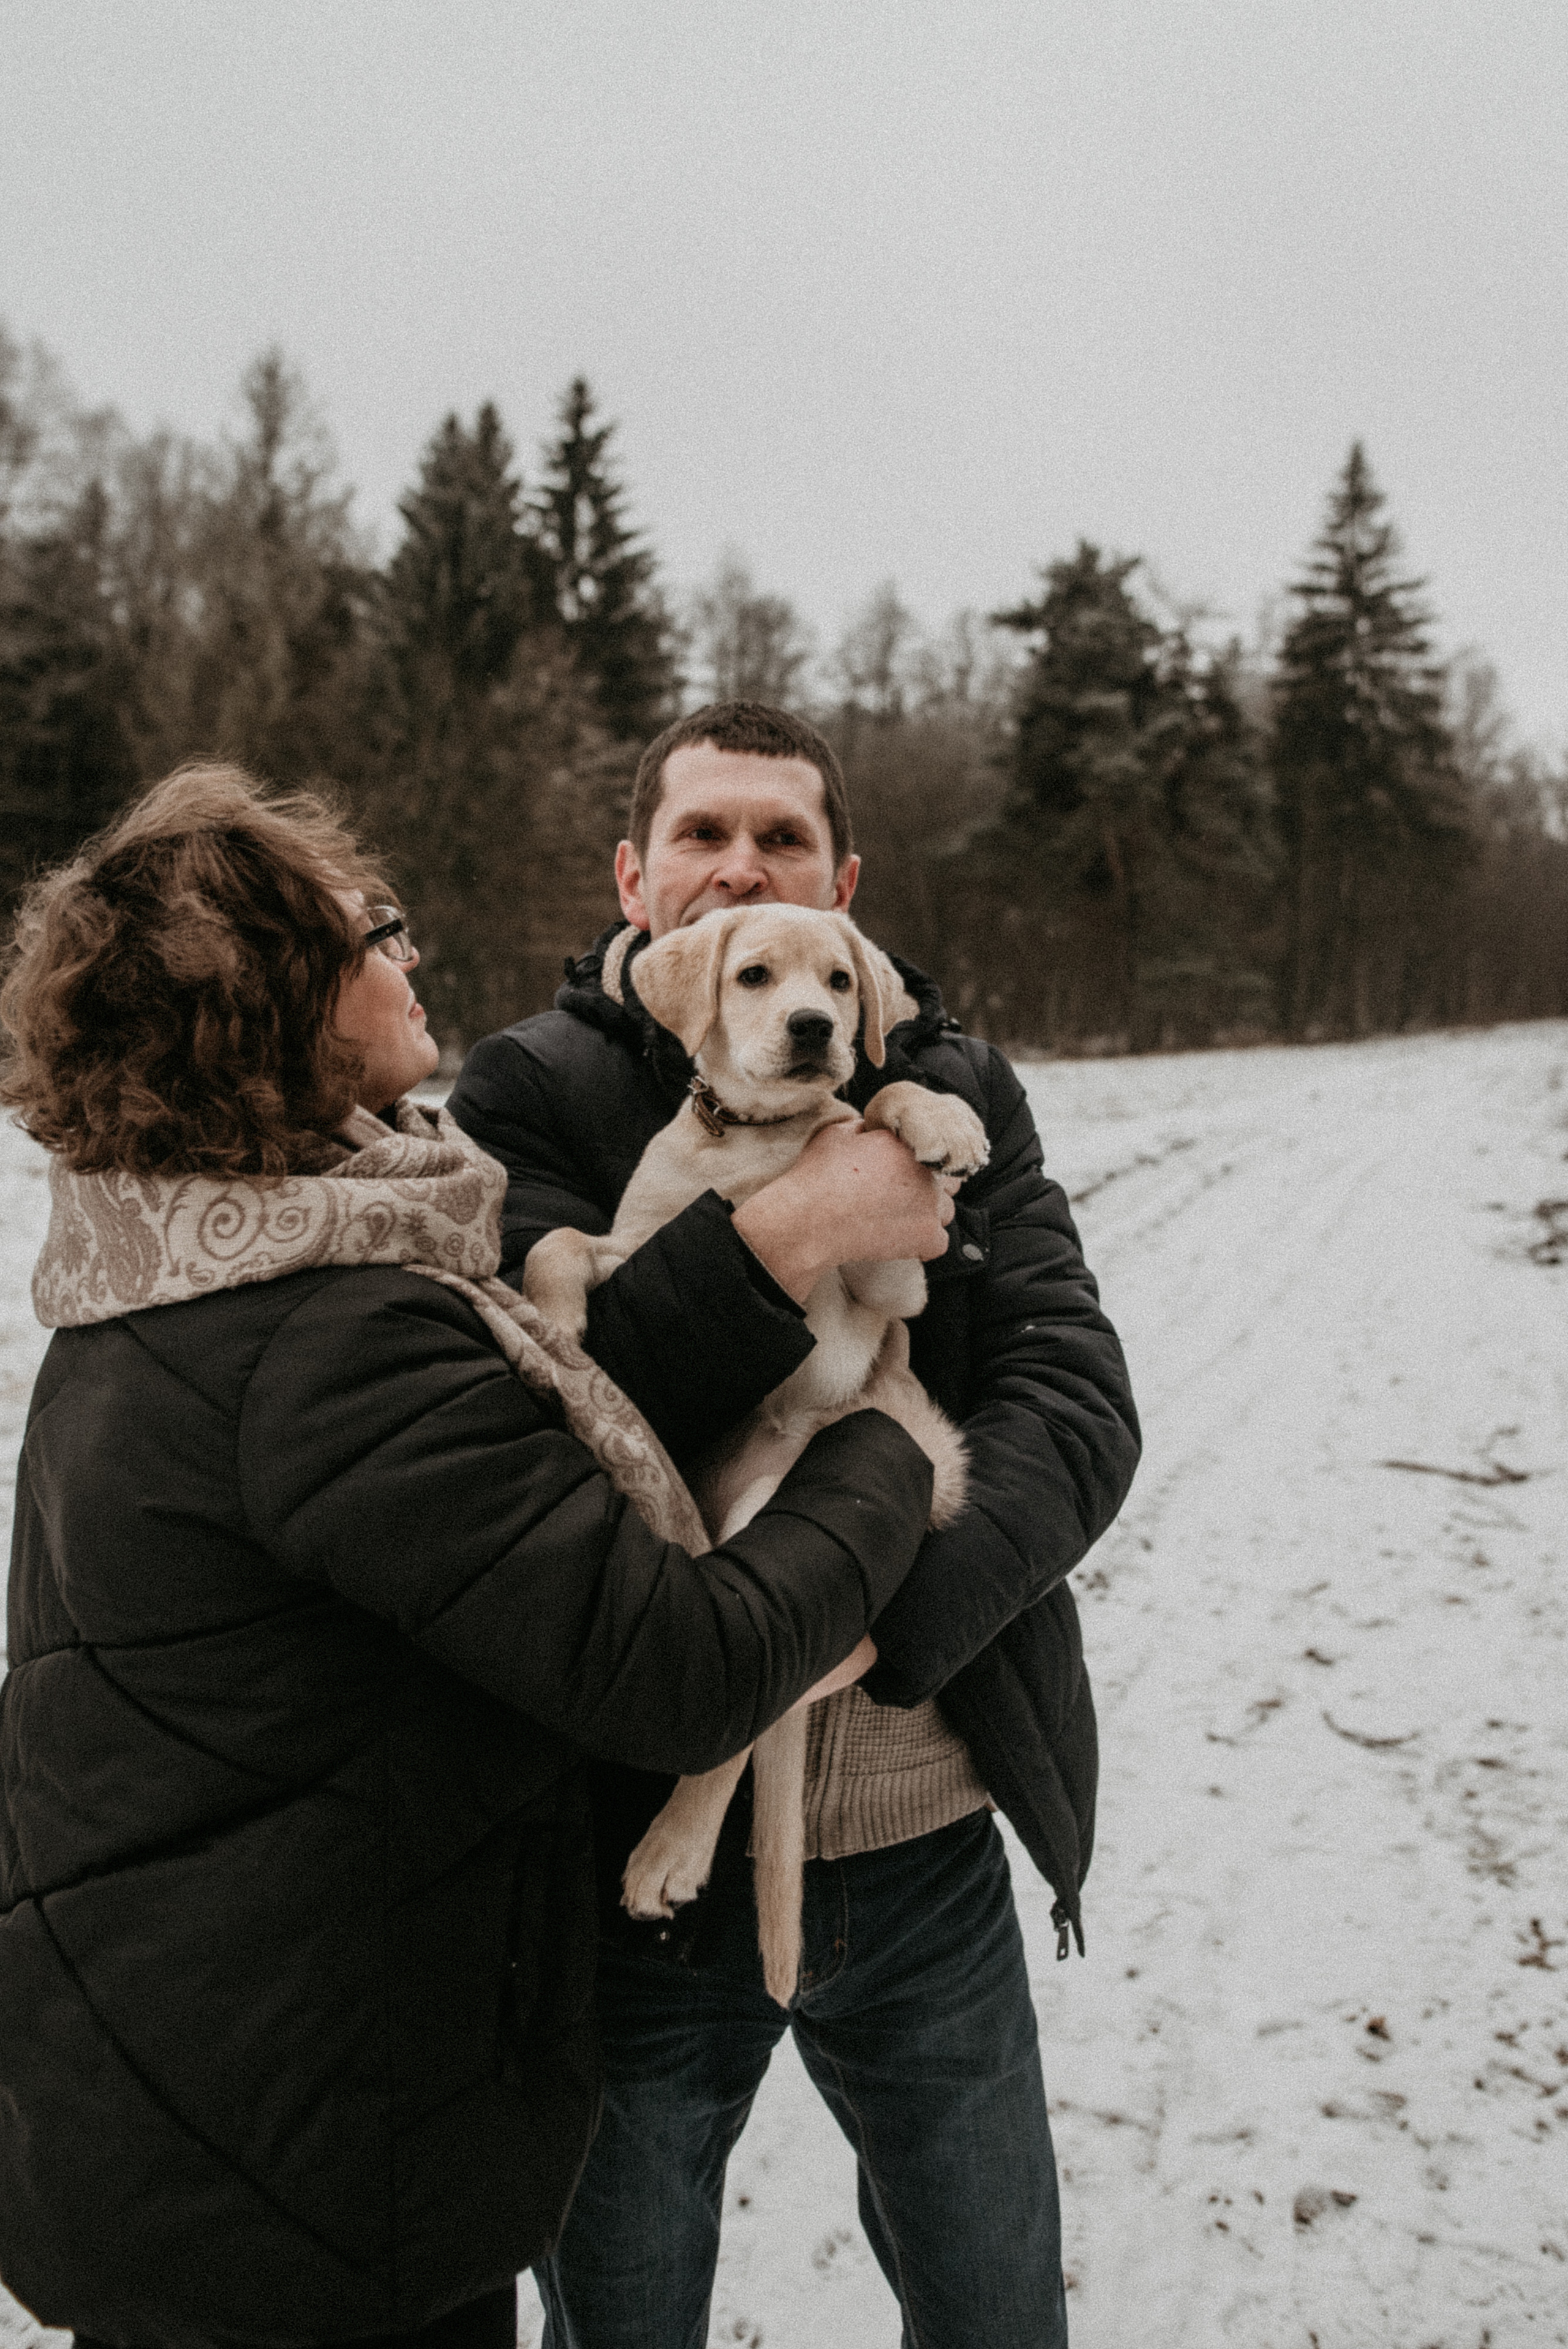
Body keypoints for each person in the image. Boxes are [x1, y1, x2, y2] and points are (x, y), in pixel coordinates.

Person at [0, 763, 951, 2349]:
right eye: (374, 932)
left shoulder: (158, 1266)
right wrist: (885, 1456)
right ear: (274, 1006)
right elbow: (681, 1669)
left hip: (189, 2082)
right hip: (302, 2154)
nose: (411, 953)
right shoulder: (331, 1336)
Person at [448, 701, 1142, 2348]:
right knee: (623, 2318)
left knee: (994, 2312)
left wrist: (876, 1631)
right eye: (703, 833)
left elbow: (1073, 1403)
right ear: (636, 878)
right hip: (632, 1861)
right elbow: (544, 1429)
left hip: (921, 1830)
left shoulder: (955, 1085)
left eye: (783, 840)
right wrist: (790, 1230)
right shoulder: (528, 1091)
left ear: (849, 885)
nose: (742, 867)